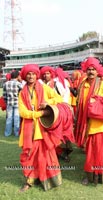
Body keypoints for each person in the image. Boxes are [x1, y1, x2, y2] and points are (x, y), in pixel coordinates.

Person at [18, 64, 63, 192]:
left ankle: (49, 180)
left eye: (33, 74)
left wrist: (48, 103)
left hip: (43, 128)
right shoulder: (22, 93)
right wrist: (40, 114)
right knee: (29, 155)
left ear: (36, 75)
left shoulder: (44, 88)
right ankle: (29, 181)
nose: (31, 76)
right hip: (29, 129)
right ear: (25, 76)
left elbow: (58, 98)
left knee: (45, 154)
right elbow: (23, 112)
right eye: (28, 74)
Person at [75, 57, 103, 186]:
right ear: (85, 71)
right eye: (89, 69)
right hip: (88, 126)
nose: (91, 71)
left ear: (97, 71)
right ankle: (89, 176)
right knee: (90, 154)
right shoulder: (82, 85)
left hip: (102, 126)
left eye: (93, 69)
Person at [3, 70, 23, 137]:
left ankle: (7, 133)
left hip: (9, 103)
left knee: (9, 118)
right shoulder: (19, 84)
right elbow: (23, 93)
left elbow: (4, 95)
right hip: (17, 103)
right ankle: (16, 133)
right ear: (17, 76)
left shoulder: (6, 84)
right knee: (16, 118)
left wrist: (6, 102)